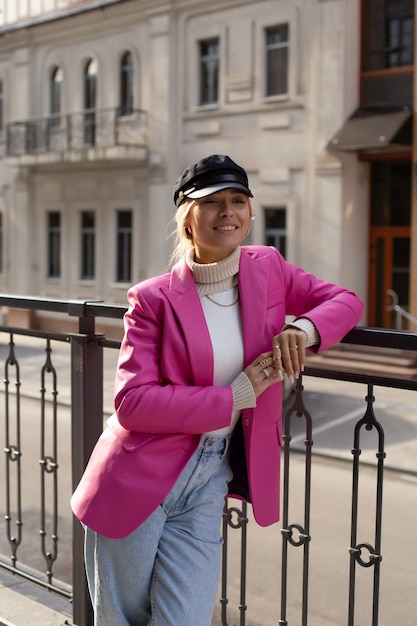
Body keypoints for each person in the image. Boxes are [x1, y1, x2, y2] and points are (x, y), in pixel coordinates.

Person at [71, 154, 364, 626]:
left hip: (210, 476)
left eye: (238, 201)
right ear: (189, 218)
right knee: (120, 620)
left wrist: (303, 330)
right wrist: (234, 397)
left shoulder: (268, 268)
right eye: (212, 202)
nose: (227, 211)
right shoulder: (152, 299)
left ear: (249, 215)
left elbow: (346, 301)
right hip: (138, 474)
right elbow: (132, 402)